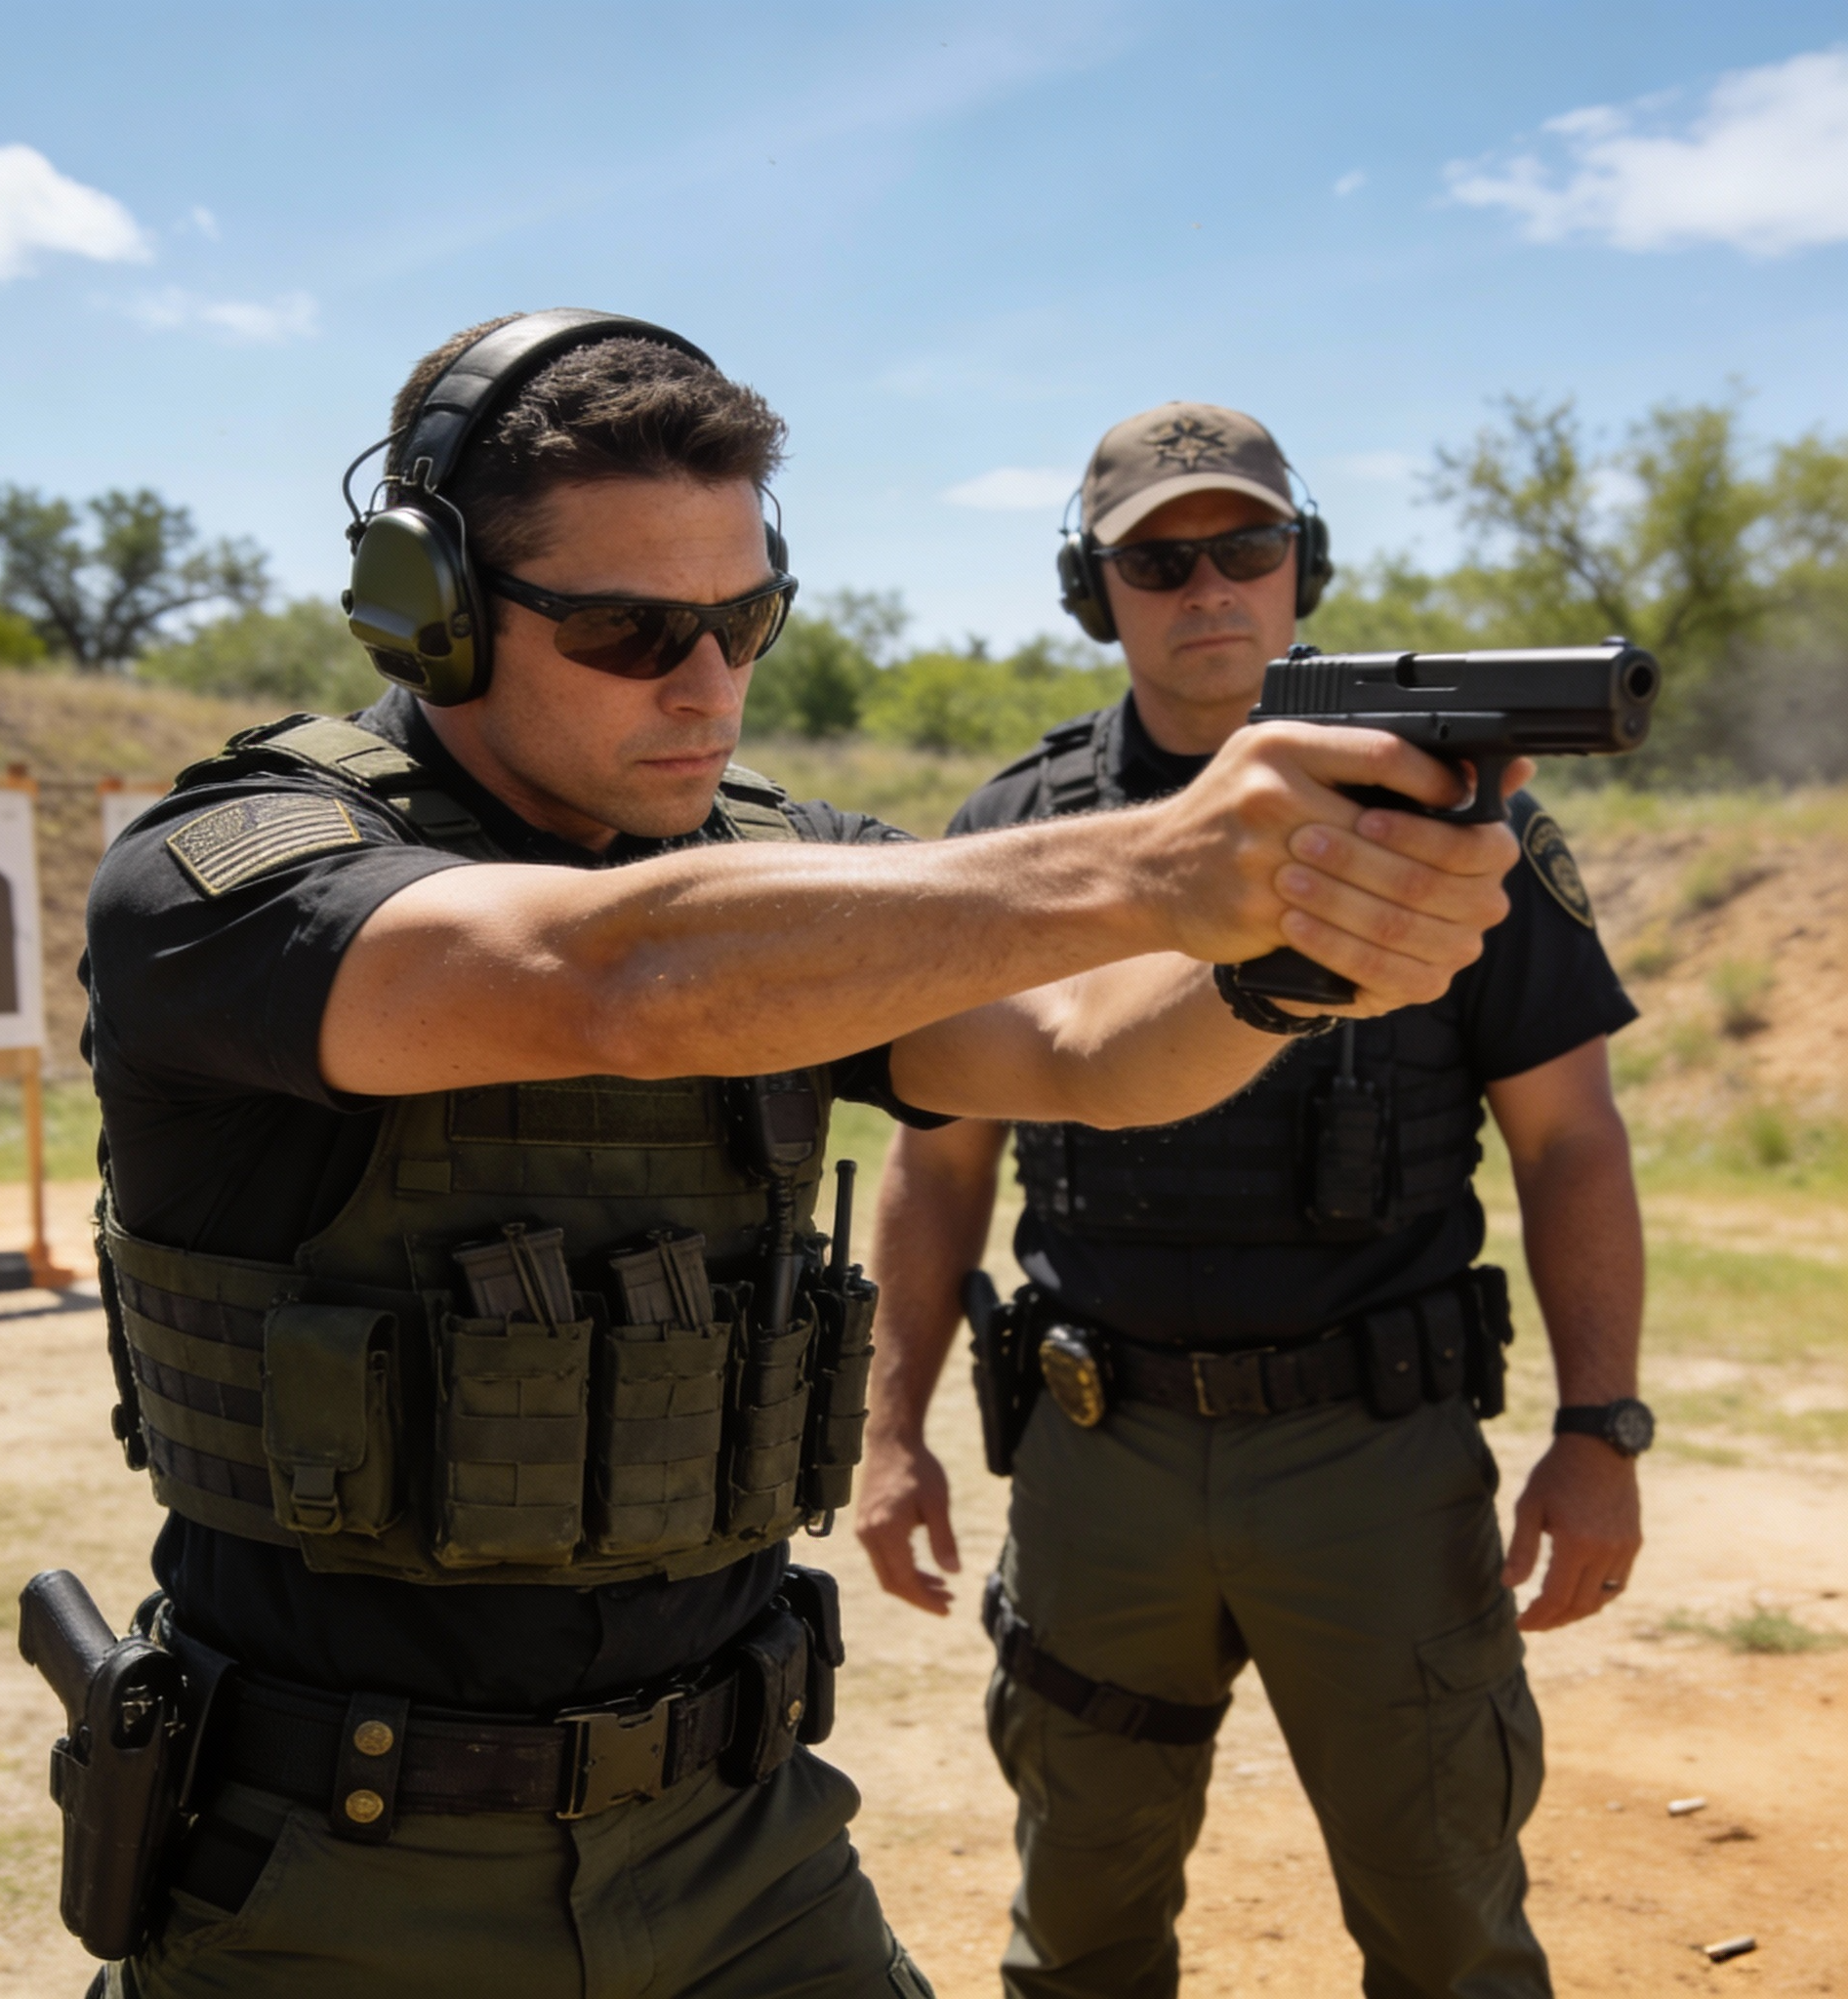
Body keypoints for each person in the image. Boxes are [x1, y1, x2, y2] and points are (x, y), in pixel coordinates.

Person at [77, 324, 1519, 1999]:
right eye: (628, 631)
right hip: (341, 1869)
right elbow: (610, 979)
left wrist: (1288, 959)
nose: (708, 684)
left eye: (744, 619)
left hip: (737, 1838)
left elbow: (1080, 1054)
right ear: (436, 609)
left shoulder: (783, 873)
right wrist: (1156, 863)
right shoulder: (229, 877)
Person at [855, 402, 1655, 1999]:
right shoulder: (1024, 837)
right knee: (1077, 1934)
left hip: (1371, 1458)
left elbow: (1572, 1137)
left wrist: (1600, 1429)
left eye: (1246, 546)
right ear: (1098, 593)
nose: (1207, 584)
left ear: (1305, 569)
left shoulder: (1453, 821)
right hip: (1101, 1463)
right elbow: (938, 1154)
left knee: (1447, 1933)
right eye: (1158, 558)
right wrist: (891, 1432)